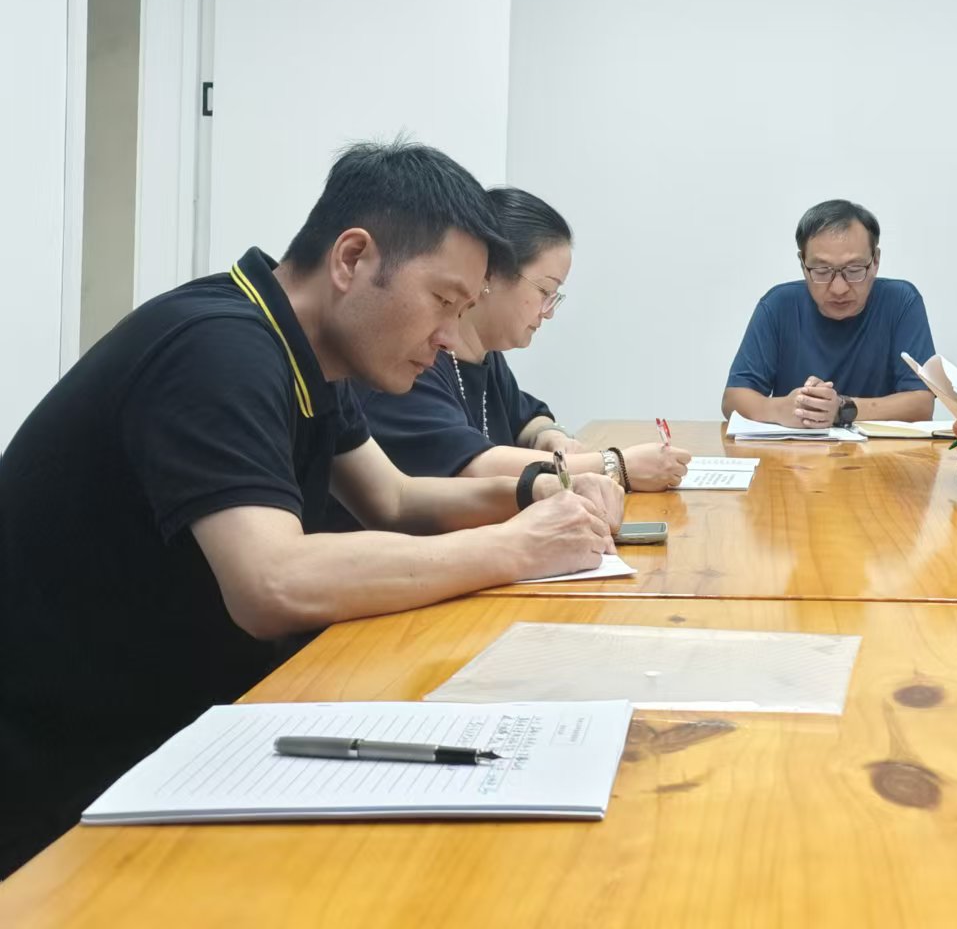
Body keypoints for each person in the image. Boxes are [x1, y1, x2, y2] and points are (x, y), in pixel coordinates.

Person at [0, 143, 622, 877]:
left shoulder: (308, 350)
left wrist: (535, 490)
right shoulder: (219, 349)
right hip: (66, 776)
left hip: (184, 730)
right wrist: (516, 547)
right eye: (443, 301)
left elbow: (394, 498)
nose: (451, 336)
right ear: (352, 258)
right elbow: (273, 582)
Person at [360, 187, 691, 492]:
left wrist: (548, 436)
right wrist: (615, 465)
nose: (548, 312)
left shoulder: (485, 356)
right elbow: (473, 466)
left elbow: (527, 417)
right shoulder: (413, 362)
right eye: (545, 291)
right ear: (488, 274)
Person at [722, 199, 935, 429]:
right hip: (795, 451)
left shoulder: (901, 302)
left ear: (875, 261)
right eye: (822, 271)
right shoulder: (778, 305)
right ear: (803, 264)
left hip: (880, 450)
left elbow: (921, 404)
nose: (839, 288)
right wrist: (780, 408)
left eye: (854, 270)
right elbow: (733, 399)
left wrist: (842, 409)